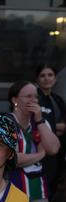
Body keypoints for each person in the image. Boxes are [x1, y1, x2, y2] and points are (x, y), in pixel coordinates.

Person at [6, 80, 61, 202]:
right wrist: (38, 156)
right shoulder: (5, 123)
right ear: (15, 100)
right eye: (28, 96)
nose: (33, 100)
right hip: (11, 192)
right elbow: (11, 158)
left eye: (35, 97)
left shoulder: (40, 123)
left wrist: (39, 120)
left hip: (38, 192)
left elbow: (54, 148)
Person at [36, 64, 66, 194]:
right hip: (41, 150)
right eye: (43, 76)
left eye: (50, 75)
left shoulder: (57, 99)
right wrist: (55, 127)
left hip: (59, 151)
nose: (47, 78)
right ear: (37, 79)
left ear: (55, 79)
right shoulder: (34, 98)